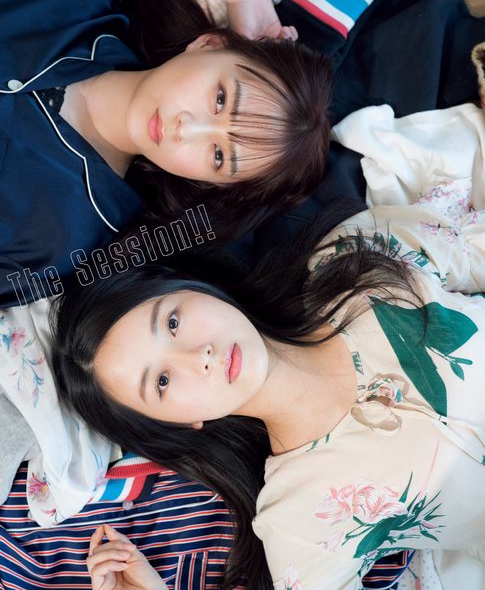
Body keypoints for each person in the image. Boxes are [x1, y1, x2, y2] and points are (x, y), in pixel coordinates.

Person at [52, 190, 485, 589]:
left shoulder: (350, 258)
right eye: (162, 382)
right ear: (180, 423)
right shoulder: (296, 516)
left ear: (192, 287)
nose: (198, 356)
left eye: (172, 322)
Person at [0, 0, 331, 308]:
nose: (186, 129)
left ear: (210, 182)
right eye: (220, 99)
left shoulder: (64, 240)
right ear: (208, 44)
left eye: (218, 156)